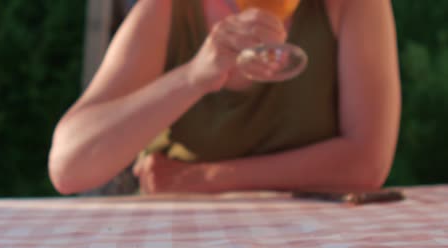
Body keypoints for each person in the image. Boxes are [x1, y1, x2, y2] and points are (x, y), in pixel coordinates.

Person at [48, 0, 401, 195]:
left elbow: (367, 164)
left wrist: (207, 178)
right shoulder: (167, 10)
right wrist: (193, 76)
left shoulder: (353, 6)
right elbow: (69, 167)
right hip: (179, 242)